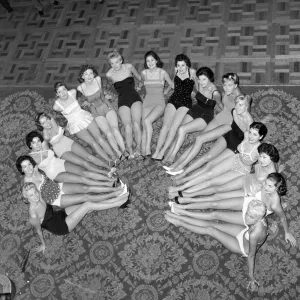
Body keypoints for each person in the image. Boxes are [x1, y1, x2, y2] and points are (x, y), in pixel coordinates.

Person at [169, 173, 296, 248]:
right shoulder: (264, 185)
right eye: (266, 183)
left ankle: (182, 213)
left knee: (215, 214)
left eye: (269, 186)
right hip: (247, 201)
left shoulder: (275, 204)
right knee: (215, 203)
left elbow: (283, 217)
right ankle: (183, 205)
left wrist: (287, 232)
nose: (265, 187)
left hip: (250, 216)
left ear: (277, 188)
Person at [165, 200, 268, 291]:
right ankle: (181, 215)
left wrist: (251, 276)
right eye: (247, 213)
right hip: (245, 233)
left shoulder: (255, 234)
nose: (246, 217)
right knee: (213, 224)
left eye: (251, 217)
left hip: (241, 247)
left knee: (210, 230)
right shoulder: (261, 218)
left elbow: (251, 255)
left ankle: (179, 222)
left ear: (259, 219)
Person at [22, 182, 129, 253]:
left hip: (60, 214)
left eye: (35, 192)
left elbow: (50, 207)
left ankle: (117, 196)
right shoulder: (33, 214)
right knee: (88, 205)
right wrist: (43, 244)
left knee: (88, 206)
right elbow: (38, 230)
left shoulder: (39, 196)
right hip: (61, 226)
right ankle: (119, 202)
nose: (35, 195)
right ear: (26, 199)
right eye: (31, 195)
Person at [168, 122, 267, 198]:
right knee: (209, 173)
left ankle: (184, 193)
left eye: (255, 135)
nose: (250, 136)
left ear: (261, 137)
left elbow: (263, 166)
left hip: (241, 170)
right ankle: (180, 187)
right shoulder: (246, 135)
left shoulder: (259, 150)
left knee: (211, 182)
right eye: (250, 132)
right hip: (235, 158)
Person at [167, 94, 253, 177]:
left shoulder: (250, 122)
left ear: (246, 106)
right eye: (237, 103)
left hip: (237, 143)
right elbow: (231, 124)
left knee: (208, 157)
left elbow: (248, 141)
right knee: (199, 138)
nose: (237, 107)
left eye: (241, 105)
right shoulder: (234, 111)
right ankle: (179, 166)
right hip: (229, 132)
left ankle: (184, 172)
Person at [177, 143, 279, 203]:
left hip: (250, 191)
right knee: (217, 186)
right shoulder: (264, 162)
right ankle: (188, 194)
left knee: (218, 195)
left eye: (264, 157)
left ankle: (190, 199)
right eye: (260, 156)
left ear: (272, 158)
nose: (260, 159)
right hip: (245, 179)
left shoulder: (272, 175)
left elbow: (268, 192)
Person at [162, 67, 222, 163]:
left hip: (205, 116)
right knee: (180, 130)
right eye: (199, 79)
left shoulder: (215, 92)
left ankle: (172, 156)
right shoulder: (198, 83)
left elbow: (220, 104)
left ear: (210, 79)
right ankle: (169, 153)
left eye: (204, 79)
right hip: (196, 109)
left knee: (183, 129)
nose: (201, 82)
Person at [17, 155, 125, 208]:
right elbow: (30, 200)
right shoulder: (27, 183)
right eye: (25, 167)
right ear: (21, 170)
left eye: (29, 164)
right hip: (55, 199)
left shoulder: (36, 169)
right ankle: (115, 193)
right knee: (85, 197)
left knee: (85, 188)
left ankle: (113, 187)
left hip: (58, 187)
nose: (29, 168)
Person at [53, 82, 118, 165]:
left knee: (99, 138)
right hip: (75, 124)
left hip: (85, 117)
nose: (63, 93)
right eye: (59, 92)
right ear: (57, 94)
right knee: (93, 142)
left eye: (64, 90)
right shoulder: (56, 106)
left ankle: (113, 156)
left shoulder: (73, 92)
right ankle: (109, 160)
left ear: (67, 89)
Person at [35, 112, 116, 177]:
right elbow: (57, 133)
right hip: (61, 151)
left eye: (46, 120)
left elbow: (57, 130)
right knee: (84, 163)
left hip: (67, 142)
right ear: (40, 125)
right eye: (43, 123)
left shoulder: (51, 121)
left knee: (88, 157)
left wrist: (54, 123)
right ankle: (104, 173)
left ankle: (109, 167)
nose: (47, 123)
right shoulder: (45, 135)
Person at [26, 131, 117, 186]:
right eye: (34, 143)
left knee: (84, 172)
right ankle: (107, 184)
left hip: (60, 163)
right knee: (82, 179)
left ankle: (108, 175)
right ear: (30, 144)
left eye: (38, 141)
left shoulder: (44, 145)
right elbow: (33, 174)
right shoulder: (30, 158)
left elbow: (51, 135)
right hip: (54, 173)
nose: (37, 144)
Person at [152, 54, 197, 160]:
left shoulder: (192, 72)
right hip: (173, 100)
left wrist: (196, 94)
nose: (180, 68)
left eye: (183, 65)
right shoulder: (176, 70)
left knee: (173, 128)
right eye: (178, 65)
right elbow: (173, 83)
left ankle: (162, 152)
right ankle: (157, 150)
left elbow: (198, 89)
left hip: (185, 103)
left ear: (187, 65)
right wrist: (165, 92)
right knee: (165, 127)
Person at [77, 65, 127, 160]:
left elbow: (102, 91)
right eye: (86, 74)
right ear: (82, 76)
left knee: (115, 130)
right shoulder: (80, 88)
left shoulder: (98, 79)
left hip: (107, 106)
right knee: (108, 133)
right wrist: (84, 102)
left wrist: (105, 95)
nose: (89, 76)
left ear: (94, 74)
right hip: (95, 111)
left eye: (91, 73)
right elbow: (79, 99)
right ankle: (118, 152)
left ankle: (125, 150)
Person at [106, 50, 143, 158]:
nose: (114, 65)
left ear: (121, 60)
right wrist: (109, 95)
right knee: (127, 126)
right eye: (112, 63)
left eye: (116, 62)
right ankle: (130, 149)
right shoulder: (109, 74)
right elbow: (109, 87)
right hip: (122, 100)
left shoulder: (129, 67)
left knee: (136, 124)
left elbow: (140, 78)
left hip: (135, 97)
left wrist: (140, 86)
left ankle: (138, 148)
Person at [140, 51, 173, 156]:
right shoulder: (144, 73)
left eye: (152, 60)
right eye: (148, 61)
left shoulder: (162, 72)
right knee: (144, 125)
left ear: (156, 60)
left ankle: (148, 148)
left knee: (147, 120)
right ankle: (143, 152)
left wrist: (166, 91)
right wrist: (139, 86)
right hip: (147, 102)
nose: (150, 63)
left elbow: (172, 84)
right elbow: (141, 82)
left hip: (159, 102)